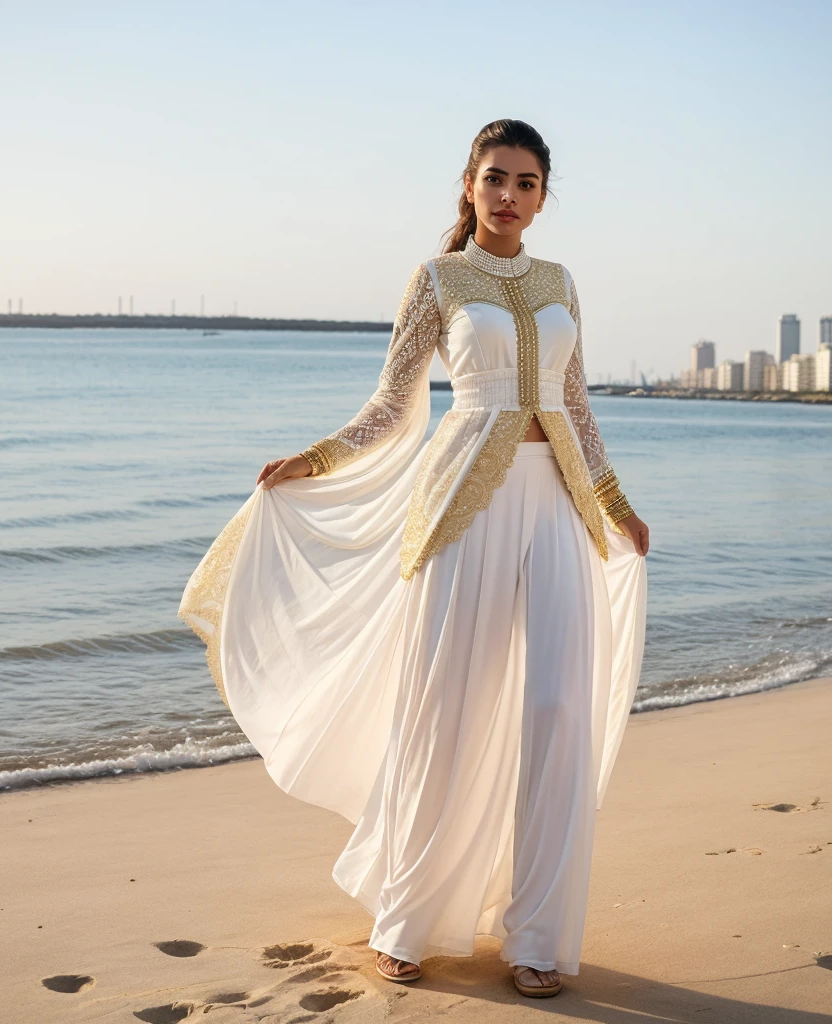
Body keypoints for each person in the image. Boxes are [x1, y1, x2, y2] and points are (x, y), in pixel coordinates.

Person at [179, 118, 648, 999]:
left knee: (557, 711)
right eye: (496, 178)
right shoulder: (436, 279)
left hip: (559, 509)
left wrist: (618, 504)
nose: (510, 196)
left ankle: (538, 936)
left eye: (528, 183)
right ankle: (407, 919)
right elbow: (392, 408)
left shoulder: (560, 283)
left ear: (544, 198)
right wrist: (313, 460)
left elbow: (577, 408)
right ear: (469, 184)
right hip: (459, 514)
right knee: (448, 709)